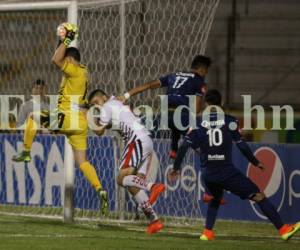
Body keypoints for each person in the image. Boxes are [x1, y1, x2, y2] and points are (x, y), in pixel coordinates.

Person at [168, 89, 300, 241]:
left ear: (206, 104)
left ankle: (207, 233)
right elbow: (242, 146)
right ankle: (283, 229)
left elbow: (184, 146)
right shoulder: (230, 121)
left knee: (216, 197)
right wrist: (255, 162)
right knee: (258, 196)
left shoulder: (197, 123)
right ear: (221, 103)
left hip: (208, 173)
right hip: (225, 171)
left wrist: (176, 168)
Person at [12, 23, 108, 215]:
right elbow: (60, 56)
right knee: (82, 162)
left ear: (71, 60)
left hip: (68, 117)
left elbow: (56, 59)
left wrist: (67, 39)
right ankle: (100, 189)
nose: (65, 62)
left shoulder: (74, 69)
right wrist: (61, 40)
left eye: (67, 60)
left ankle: (27, 151)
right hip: (79, 123)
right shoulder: (80, 71)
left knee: (33, 116)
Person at [88, 89, 165, 234]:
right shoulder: (116, 103)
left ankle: (153, 186)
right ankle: (154, 220)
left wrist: (89, 118)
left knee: (121, 179)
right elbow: (112, 124)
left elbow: (99, 132)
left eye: (96, 102)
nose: (96, 106)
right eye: (93, 105)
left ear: (104, 97)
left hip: (135, 141)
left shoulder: (107, 106)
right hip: (146, 140)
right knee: (132, 184)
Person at [118, 55, 210, 159]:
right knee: (201, 146)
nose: (206, 74)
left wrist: (126, 95)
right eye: (206, 71)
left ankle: (173, 150)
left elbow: (149, 85)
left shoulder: (173, 75)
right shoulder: (199, 82)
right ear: (202, 69)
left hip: (165, 116)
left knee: (177, 123)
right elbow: (196, 110)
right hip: (181, 117)